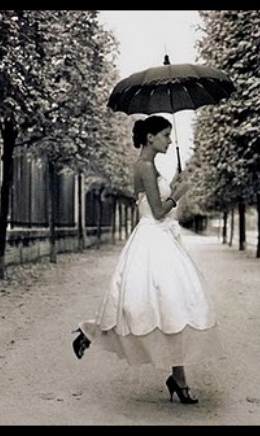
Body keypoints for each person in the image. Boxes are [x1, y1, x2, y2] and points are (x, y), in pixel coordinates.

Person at [72, 115, 220, 404]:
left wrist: (173, 184)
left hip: (161, 239)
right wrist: (178, 194)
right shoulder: (144, 166)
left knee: (172, 306)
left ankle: (179, 379)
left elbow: (155, 200)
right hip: (153, 239)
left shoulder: (151, 167)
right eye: (165, 135)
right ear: (150, 137)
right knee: (148, 306)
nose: (169, 140)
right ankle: (90, 330)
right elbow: (157, 209)